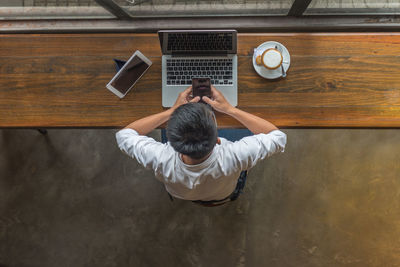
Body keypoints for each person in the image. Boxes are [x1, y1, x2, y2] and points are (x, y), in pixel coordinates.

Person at [116, 86, 286, 206]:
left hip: (180, 193)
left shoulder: (160, 158)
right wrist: (229, 109)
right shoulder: (236, 155)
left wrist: (172, 111)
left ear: (172, 143)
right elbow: (277, 137)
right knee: (243, 132)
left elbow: (124, 135)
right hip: (223, 193)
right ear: (218, 140)